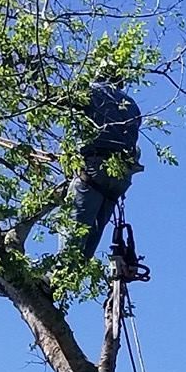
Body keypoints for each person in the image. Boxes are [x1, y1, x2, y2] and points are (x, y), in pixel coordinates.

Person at [65, 82, 142, 262]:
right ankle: (68, 278)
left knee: (73, 231)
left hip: (94, 170)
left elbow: (59, 100)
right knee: (92, 234)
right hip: (120, 179)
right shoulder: (133, 106)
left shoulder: (92, 90)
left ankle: (55, 276)